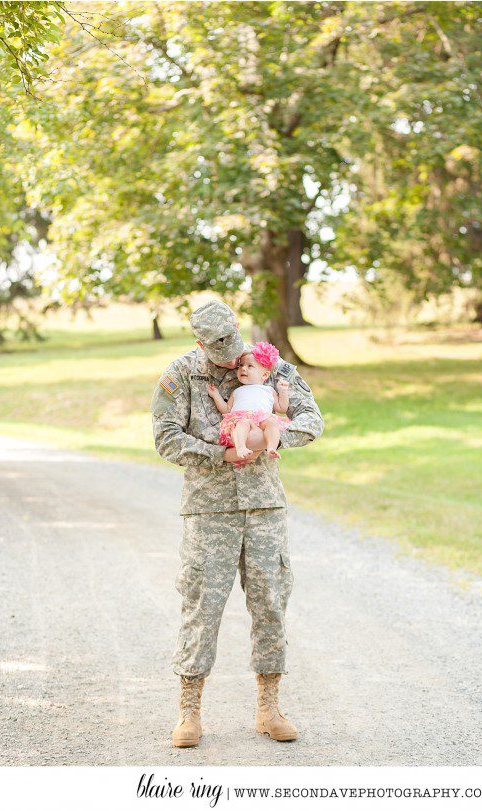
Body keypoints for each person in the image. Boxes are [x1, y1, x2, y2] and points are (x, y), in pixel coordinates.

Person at [150, 300, 324, 748]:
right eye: (220, 349)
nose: (232, 358)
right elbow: (166, 438)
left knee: (270, 601)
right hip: (210, 511)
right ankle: (189, 713)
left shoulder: (269, 365)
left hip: (265, 507)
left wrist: (270, 431)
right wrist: (218, 452)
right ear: (199, 342)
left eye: (234, 344)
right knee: (202, 607)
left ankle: (269, 708)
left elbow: (312, 420)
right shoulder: (180, 375)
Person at [207, 342, 291, 460]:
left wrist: (283, 391)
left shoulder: (269, 390)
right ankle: (240, 447)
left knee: (272, 423)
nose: (243, 368)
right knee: (242, 424)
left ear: (265, 375)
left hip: (262, 420)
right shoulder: (237, 391)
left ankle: (271, 447)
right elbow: (227, 410)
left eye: (250, 366)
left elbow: (281, 408)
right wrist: (216, 395)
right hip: (242, 419)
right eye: (241, 365)